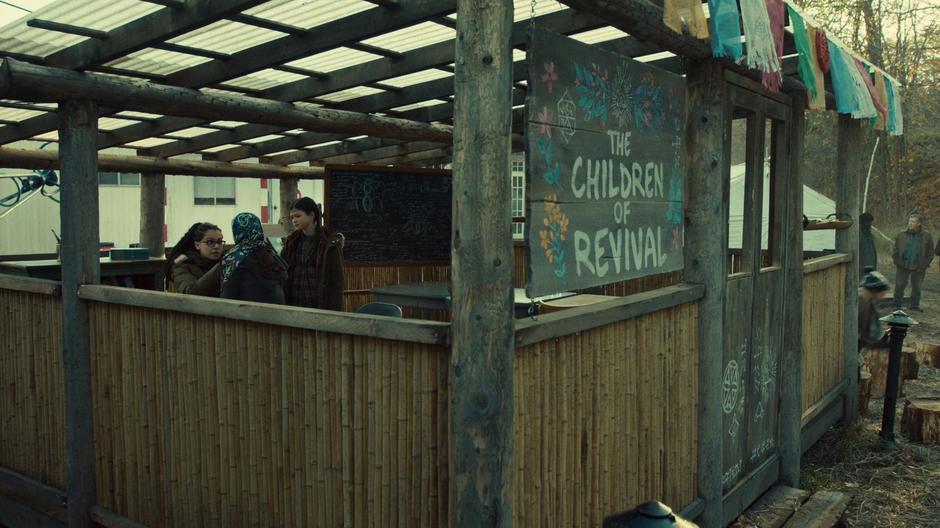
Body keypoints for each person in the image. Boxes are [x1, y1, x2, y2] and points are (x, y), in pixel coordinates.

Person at [281, 197, 345, 310]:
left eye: (298, 216)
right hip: (295, 301)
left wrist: (334, 310)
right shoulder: (292, 242)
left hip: (318, 302)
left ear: (311, 215)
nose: (294, 220)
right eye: (292, 217)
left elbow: (336, 280)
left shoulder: (329, 243)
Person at [220, 212, 288, 304]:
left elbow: (227, 296)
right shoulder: (271, 252)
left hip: (248, 314)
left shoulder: (234, 257)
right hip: (278, 312)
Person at [164, 222, 224, 296]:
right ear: (197, 245)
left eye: (220, 241)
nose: (216, 246)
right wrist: (221, 266)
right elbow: (190, 293)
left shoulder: (228, 260)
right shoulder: (183, 266)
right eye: (210, 242)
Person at [891, 212, 934, 311]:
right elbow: (895, 250)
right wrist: (897, 261)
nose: (910, 223)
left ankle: (914, 306)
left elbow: (930, 252)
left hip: (918, 266)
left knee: (917, 286)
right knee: (899, 285)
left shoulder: (926, 236)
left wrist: (924, 264)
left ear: (919, 223)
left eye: (913, 222)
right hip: (903, 265)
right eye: (909, 221)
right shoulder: (901, 234)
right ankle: (896, 304)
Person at [858, 269, 890, 351]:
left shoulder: (867, 298)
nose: (884, 295)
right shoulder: (862, 299)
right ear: (876, 289)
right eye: (883, 291)